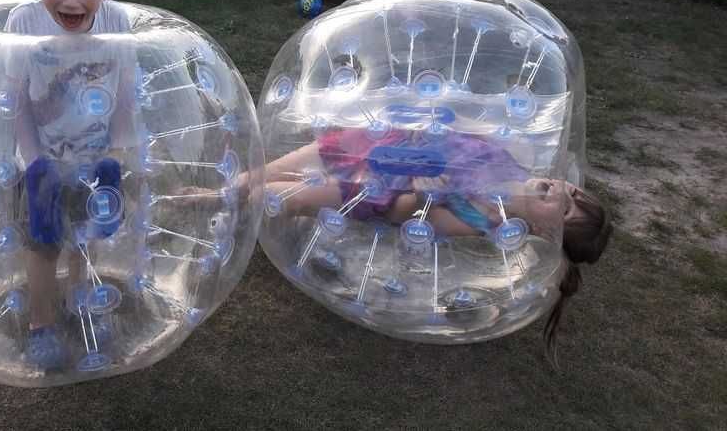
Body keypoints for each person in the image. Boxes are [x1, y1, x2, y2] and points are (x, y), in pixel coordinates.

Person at [258, 121, 612, 363]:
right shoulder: (509, 161)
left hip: (371, 189)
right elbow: (455, 132)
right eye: (574, 191)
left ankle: (211, 199)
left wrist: (421, 192)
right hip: (381, 141)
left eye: (565, 209)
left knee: (281, 194)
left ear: (544, 232)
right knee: (262, 174)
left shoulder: (480, 220)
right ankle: (232, 191)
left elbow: (403, 216)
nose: (561, 191)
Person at [3, 0, 135, 370]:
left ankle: (81, 303)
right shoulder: (23, 25)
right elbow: (16, 102)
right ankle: (41, 322)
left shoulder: (118, 24)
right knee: (42, 245)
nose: (71, 2)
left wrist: (115, 155)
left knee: (83, 238)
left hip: (94, 159)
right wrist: (33, 161)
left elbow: (124, 96)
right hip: (38, 161)